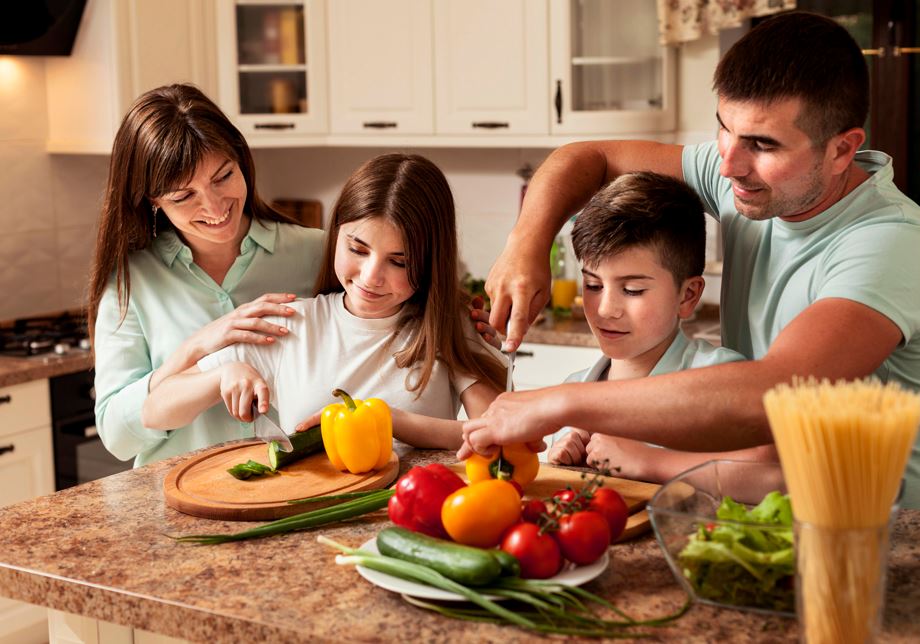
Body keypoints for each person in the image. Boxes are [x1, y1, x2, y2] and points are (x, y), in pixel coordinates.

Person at [461, 12, 920, 511]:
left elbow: (776, 394)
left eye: (763, 144)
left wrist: (555, 404)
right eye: (725, 129)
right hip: (764, 527)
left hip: (875, 542)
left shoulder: (892, 242)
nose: (729, 165)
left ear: (842, 149)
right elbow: (587, 156)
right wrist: (525, 242)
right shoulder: (748, 179)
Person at [142, 154, 507, 451]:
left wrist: (389, 421)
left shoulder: (448, 324)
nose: (370, 276)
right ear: (336, 235)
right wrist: (223, 375)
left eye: (400, 261)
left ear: (431, 264)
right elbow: (155, 411)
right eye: (357, 249)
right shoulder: (291, 323)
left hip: (415, 518)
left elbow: (500, 434)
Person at [89, 84, 325, 468]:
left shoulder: (317, 254)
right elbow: (117, 436)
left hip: (302, 490)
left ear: (240, 158)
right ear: (152, 200)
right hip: (179, 505)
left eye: (223, 176)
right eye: (183, 196)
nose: (214, 206)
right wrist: (198, 348)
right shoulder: (132, 281)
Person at [545, 172, 777, 482]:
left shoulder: (720, 377)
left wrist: (651, 460)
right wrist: (562, 457)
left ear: (688, 295)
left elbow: (774, 475)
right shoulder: (571, 393)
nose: (605, 310)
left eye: (633, 290)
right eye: (592, 284)